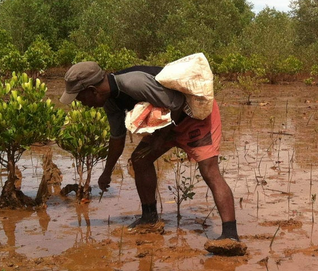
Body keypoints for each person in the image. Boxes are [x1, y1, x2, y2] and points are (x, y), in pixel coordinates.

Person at [60, 61, 239, 242]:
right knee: (140, 160)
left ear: (92, 90)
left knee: (209, 170)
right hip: (165, 124)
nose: (82, 104)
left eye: (80, 98)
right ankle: (149, 218)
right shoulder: (110, 101)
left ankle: (230, 235)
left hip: (192, 116)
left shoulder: (133, 83)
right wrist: (107, 173)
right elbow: (117, 139)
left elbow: (177, 104)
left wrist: (160, 139)